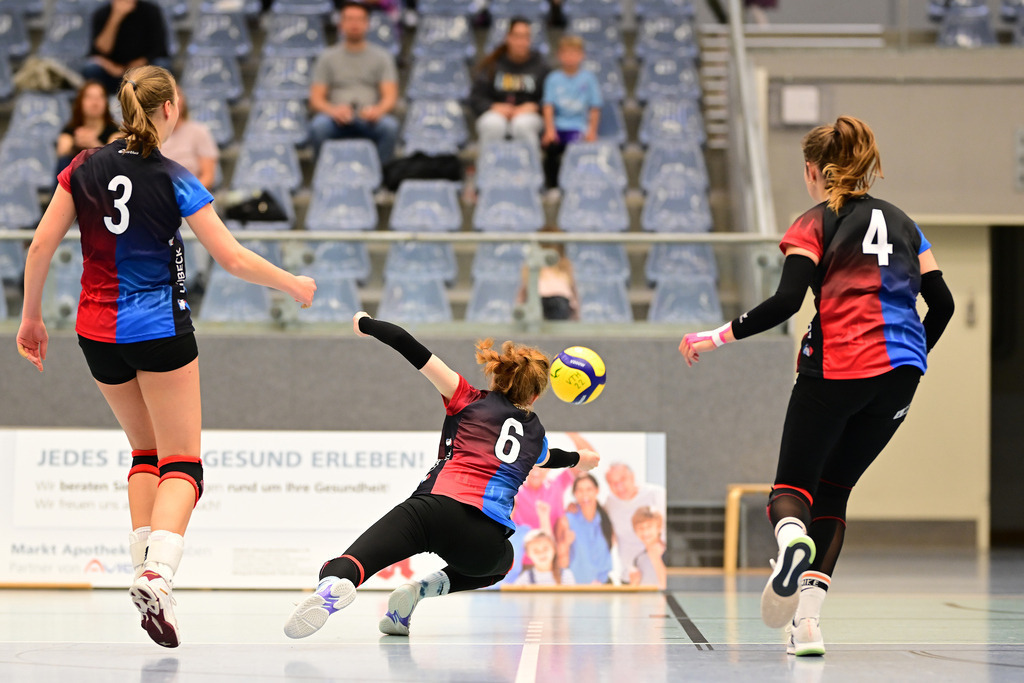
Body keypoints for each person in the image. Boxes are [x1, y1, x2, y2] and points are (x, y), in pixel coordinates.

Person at [15, 65, 317, 649]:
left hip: (95, 332)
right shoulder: (175, 177)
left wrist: (31, 319)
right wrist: (292, 284)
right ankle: (158, 573)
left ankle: (144, 572)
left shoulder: (81, 166)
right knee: (184, 463)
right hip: (158, 329)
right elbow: (230, 258)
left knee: (145, 452)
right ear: (170, 110)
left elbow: (39, 246)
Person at [679, 115, 955, 657]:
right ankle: (806, 626)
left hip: (836, 368)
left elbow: (786, 303)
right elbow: (941, 305)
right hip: (901, 377)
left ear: (813, 170)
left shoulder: (813, 222)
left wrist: (715, 337)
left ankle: (789, 542)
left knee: (793, 490)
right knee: (835, 492)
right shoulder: (905, 225)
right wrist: (909, 357)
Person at [283, 313, 600, 639]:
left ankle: (333, 586)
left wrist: (366, 323)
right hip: (483, 534)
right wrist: (581, 459)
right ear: (534, 396)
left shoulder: (466, 396)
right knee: (501, 564)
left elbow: (408, 345)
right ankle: (417, 592)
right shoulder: (535, 437)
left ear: (498, 378)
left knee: (355, 560)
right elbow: (552, 458)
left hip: (429, 508)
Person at [308, 2, 400, 163]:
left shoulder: (382, 57)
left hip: (369, 119)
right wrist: (333, 111)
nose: (354, 24)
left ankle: (380, 174)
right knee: (318, 126)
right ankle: (324, 172)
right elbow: (316, 99)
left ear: (367, 24)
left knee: (390, 127)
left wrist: (377, 111)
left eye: (359, 19)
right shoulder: (327, 57)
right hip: (336, 119)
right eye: (349, 19)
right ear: (340, 24)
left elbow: (390, 97)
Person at [470, 16, 549, 150]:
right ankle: (488, 169)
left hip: (528, 116)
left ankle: (530, 169)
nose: (521, 41)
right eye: (517, 36)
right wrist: (493, 106)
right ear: (508, 38)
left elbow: (551, 99)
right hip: (497, 114)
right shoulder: (492, 64)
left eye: (526, 37)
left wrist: (535, 107)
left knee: (522, 125)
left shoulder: (541, 66)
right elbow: (475, 98)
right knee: (493, 124)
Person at [541, 35, 602, 194]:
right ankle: (553, 187)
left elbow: (595, 107)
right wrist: (549, 130)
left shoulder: (589, 79)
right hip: (558, 126)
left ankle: (575, 187)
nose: (570, 57)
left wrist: (592, 132)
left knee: (575, 149)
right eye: (566, 53)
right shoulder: (553, 79)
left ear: (582, 55)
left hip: (578, 127)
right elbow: (548, 106)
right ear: (559, 55)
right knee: (551, 149)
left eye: (574, 53)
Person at [83, 0, 170, 94]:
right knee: (91, 69)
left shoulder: (151, 11)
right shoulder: (101, 14)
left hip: (143, 70)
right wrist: (116, 17)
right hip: (112, 73)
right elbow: (99, 51)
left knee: (162, 66)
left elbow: (159, 49)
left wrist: (138, 65)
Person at [602, 462, 667, 584]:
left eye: (622, 479)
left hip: (659, 573)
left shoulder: (656, 494)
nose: (619, 486)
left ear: (632, 477)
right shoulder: (610, 503)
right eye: (612, 483)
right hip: (630, 576)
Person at [556, 473, 613, 585]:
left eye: (589, 489)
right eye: (579, 490)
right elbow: (560, 561)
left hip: (604, 585)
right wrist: (565, 544)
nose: (584, 494)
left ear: (597, 491)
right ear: (574, 494)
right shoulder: (566, 521)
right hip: (577, 587)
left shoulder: (606, 518)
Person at [160, 86, 219, 191]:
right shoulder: (151, 136)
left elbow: (208, 177)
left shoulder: (199, 132)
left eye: (177, 96)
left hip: (193, 197)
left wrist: (186, 197)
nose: (175, 101)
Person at [57, 80, 122, 174]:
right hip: (75, 177)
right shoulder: (71, 128)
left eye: (99, 97)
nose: (94, 103)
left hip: (102, 175)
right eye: (89, 97)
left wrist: (94, 144)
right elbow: (61, 150)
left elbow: (115, 157)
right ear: (80, 102)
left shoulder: (113, 130)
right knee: (64, 162)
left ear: (106, 102)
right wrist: (75, 145)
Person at [517, 227, 580, 321]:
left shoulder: (563, 264)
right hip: (552, 298)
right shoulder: (533, 264)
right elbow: (572, 289)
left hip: (550, 298)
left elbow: (524, 289)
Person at [628, 507, 667, 589]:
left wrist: (656, 558)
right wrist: (633, 584)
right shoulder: (638, 559)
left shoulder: (668, 553)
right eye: (640, 528)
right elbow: (635, 596)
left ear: (659, 528)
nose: (645, 532)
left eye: (649, 527)